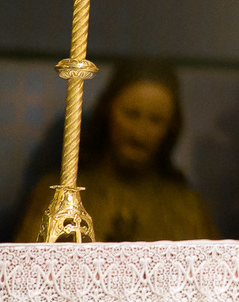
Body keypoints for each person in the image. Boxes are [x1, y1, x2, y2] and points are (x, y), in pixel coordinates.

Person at [16, 61, 219, 242]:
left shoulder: (188, 209)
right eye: (131, 114)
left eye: (155, 120)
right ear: (108, 111)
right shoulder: (59, 199)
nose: (139, 133)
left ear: (170, 127)